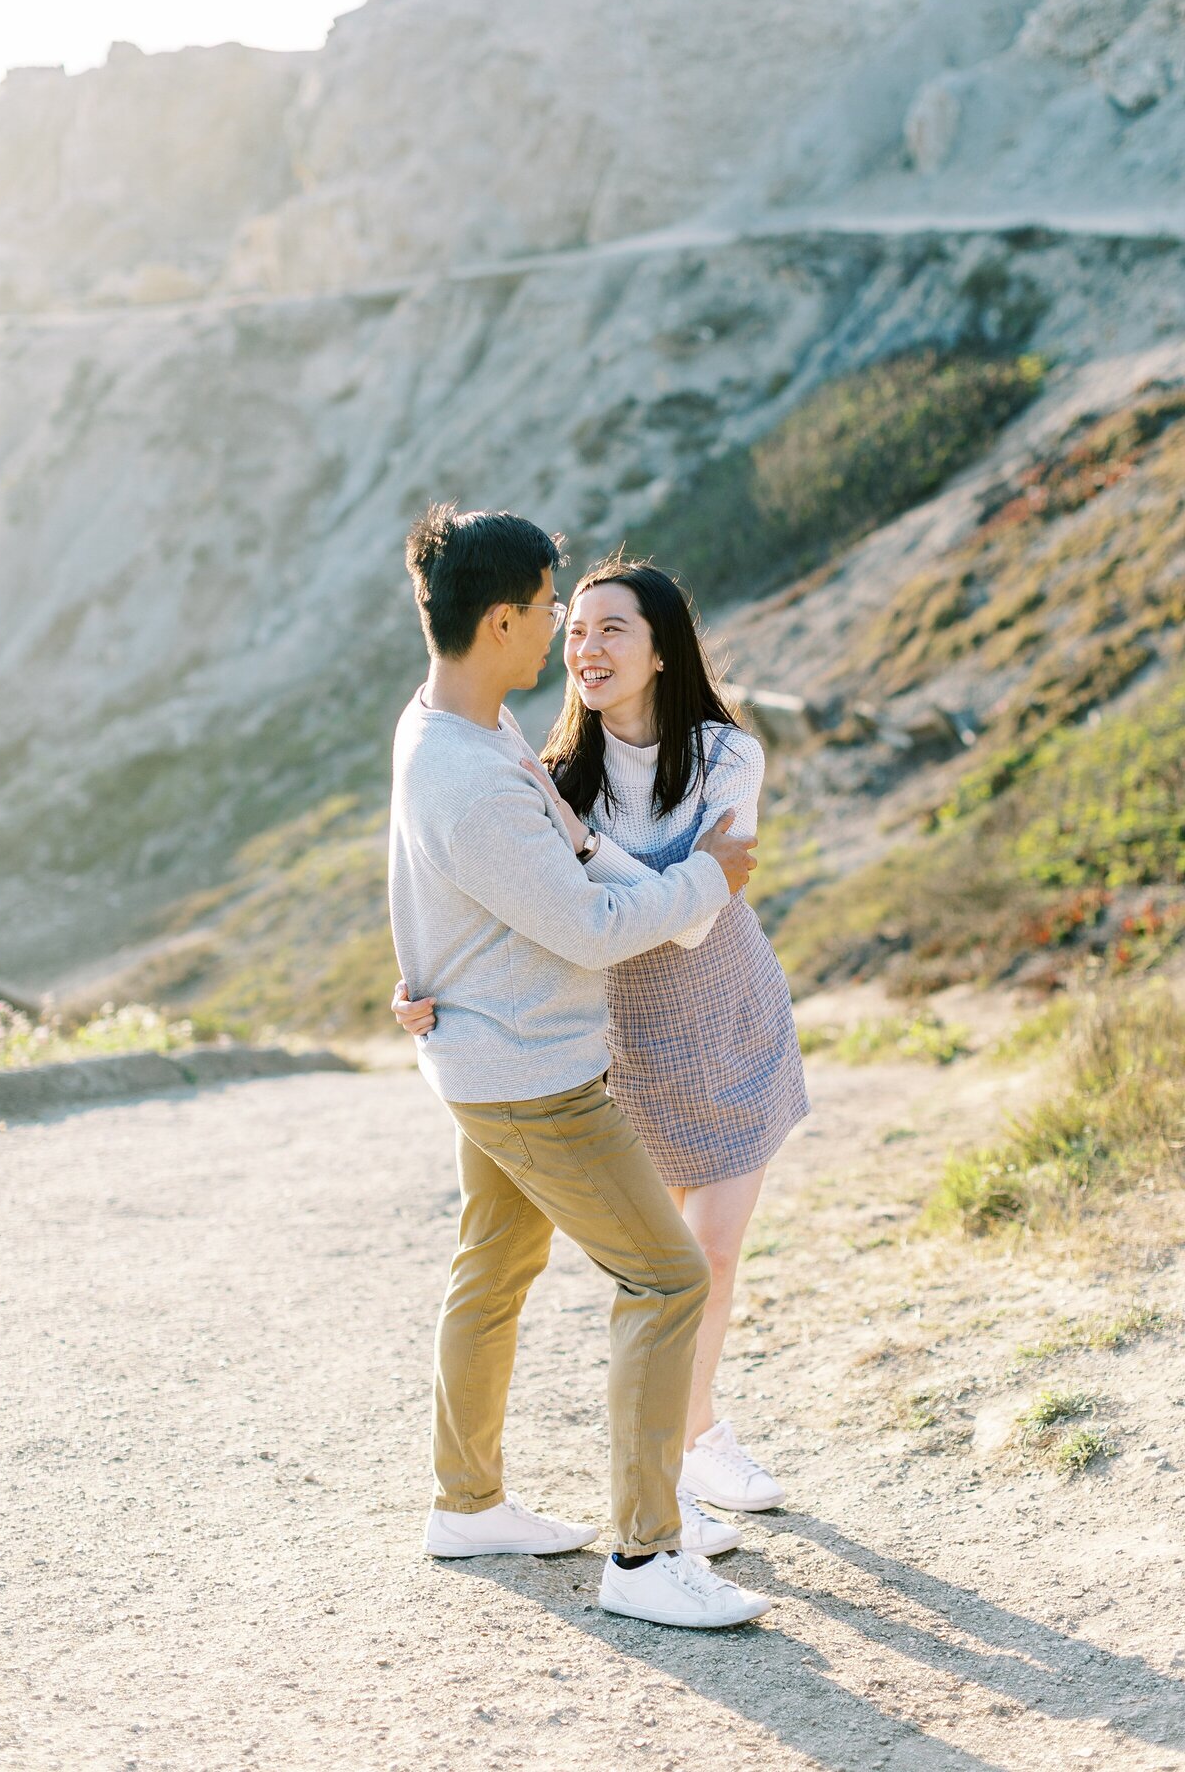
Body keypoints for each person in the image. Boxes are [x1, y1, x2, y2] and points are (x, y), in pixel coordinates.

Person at [388, 503, 772, 1628]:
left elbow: (432, 877)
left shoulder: (454, 726)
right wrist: (710, 880)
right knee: (668, 1279)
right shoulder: (477, 771)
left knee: (492, 1270)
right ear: (503, 618)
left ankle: (468, 1505)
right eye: (555, 606)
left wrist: (422, 973)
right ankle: (647, 1561)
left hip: (483, 1053)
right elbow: (593, 928)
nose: (565, 627)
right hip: (531, 1074)